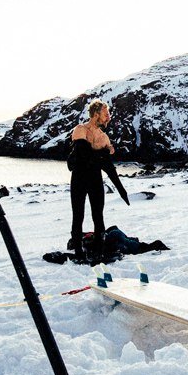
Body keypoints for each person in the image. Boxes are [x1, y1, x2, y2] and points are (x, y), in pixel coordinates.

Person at [68, 99, 115, 262]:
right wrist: (103, 153)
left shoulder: (104, 137)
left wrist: (103, 154)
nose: (108, 117)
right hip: (79, 177)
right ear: (96, 114)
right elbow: (83, 154)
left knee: (98, 215)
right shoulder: (80, 129)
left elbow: (105, 162)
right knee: (78, 215)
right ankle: (78, 251)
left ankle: (99, 250)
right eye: (106, 113)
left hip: (95, 178)